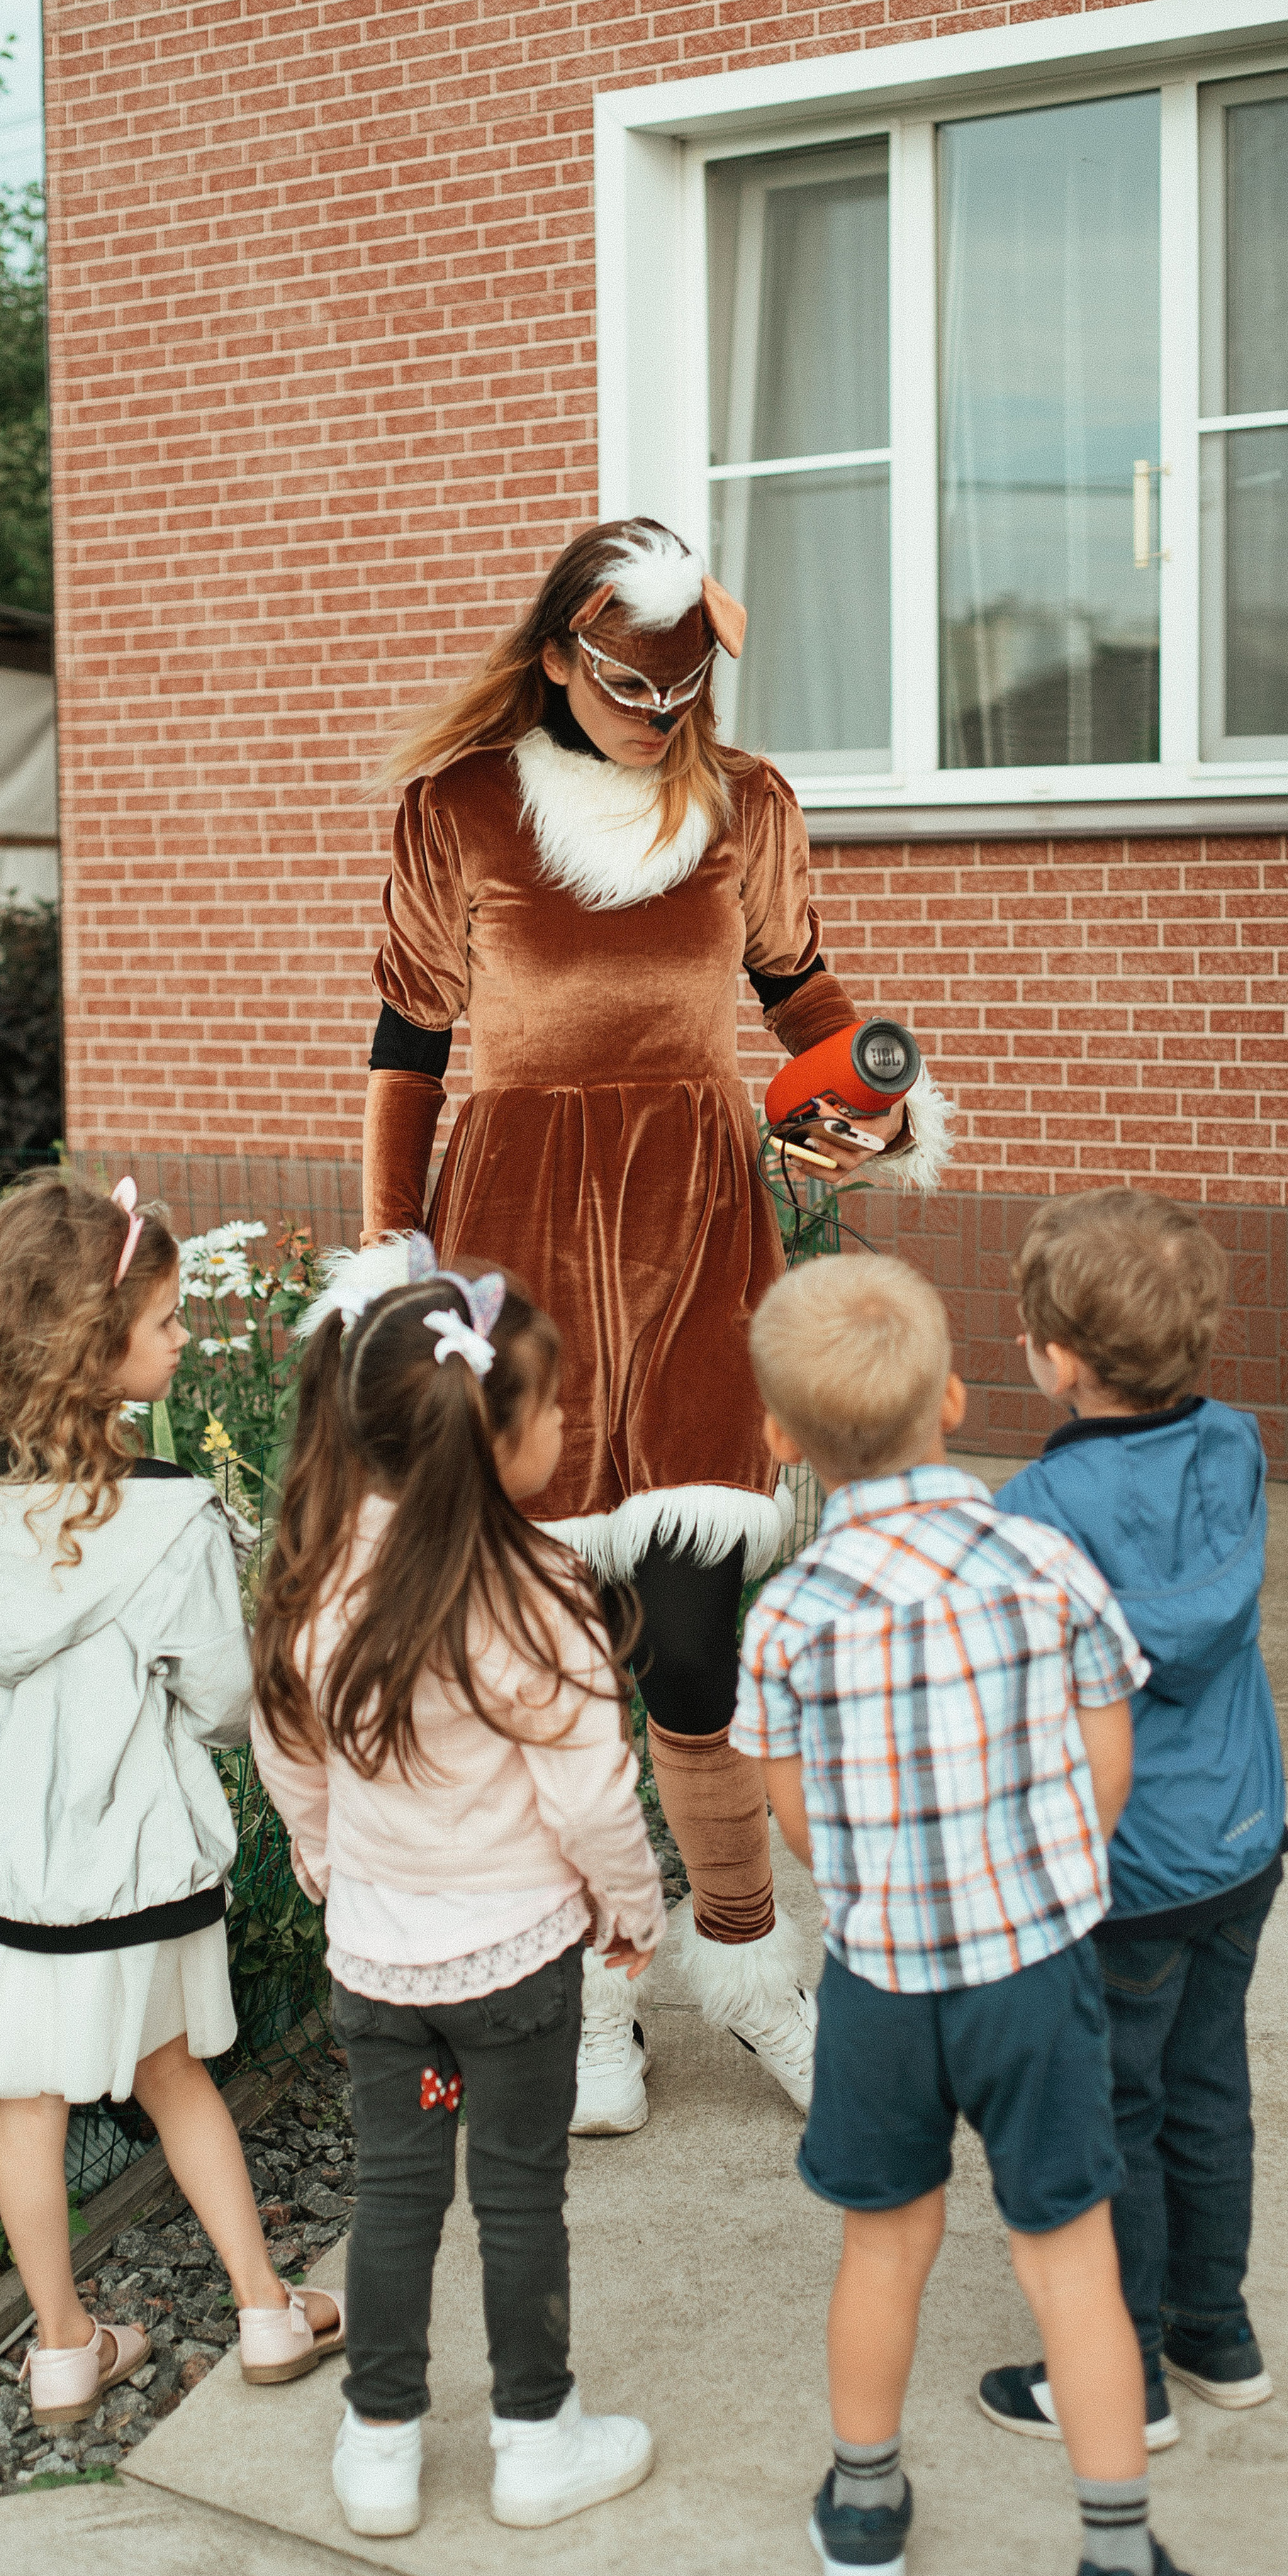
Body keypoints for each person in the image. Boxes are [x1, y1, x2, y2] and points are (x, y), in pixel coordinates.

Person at [357, 513, 950, 2133]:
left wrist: (865, 1107)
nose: (659, 719)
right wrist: (396, 1260)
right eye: (629, 688)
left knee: (692, 1636)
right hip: (516, 1237)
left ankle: (754, 1971)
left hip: (698, 1226)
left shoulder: (746, 807)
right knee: (549, 1648)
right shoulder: (456, 809)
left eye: (682, 692)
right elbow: (409, 1049)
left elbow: (804, 1001)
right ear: (556, 656)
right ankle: (600, 1993)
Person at [732, 1252, 1210, 2576]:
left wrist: (889, 1878)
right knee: (1070, 2257)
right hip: (1035, 1962)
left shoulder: (790, 1616)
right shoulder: (1041, 1558)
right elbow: (1107, 1760)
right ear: (950, 1399)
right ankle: (1119, 2560)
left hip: (883, 1981)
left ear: (779, 1437)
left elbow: (796, 1822)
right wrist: (1046, 1869)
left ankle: (866, 2510)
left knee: (886, 2244)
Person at [0, 1172, 341, 2432]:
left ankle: (65, 2351)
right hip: (133, 1880)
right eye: (168, 1319)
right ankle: (265, 2308)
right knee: (174, 2077)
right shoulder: (164, 1517)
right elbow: (229, 1696)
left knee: (29, 2109)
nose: (185, 1338)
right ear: (96, 1343)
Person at [249, 1239, 666, 2539]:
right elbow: (591, 1795)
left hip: (384, 1984)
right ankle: (535, 2440)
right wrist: (634, 1912)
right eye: (550, 1408)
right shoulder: (538, 1592)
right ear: (499, 1440)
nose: (563, 1424)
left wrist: (324, 1854)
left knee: (396, 2198)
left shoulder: (317, 1577)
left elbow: (286, 1745)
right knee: (520, 2195)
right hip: (520, 1983)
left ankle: (380, 2447)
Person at [977, 1190, 1287, 2452]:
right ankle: (1218, 2332)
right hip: (1239, 1841)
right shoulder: (1239, 1447)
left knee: (1119, 2113)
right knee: (1211, 2089)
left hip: (1122, 1870)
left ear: (1056, 1360)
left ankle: (1125, 2375)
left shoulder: (1036, 1516)